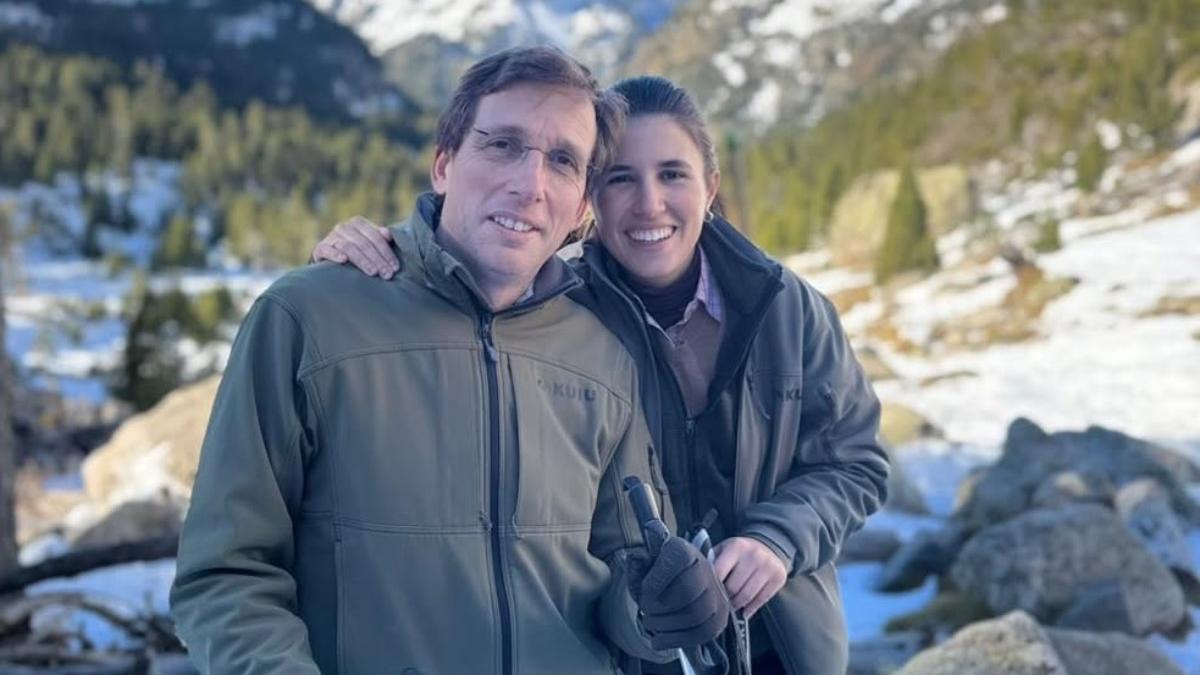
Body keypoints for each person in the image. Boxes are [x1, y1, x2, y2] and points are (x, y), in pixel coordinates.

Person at [170, 49, 732, 675]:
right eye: (503, 145)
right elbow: (227, 574)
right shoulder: (308, 319)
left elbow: (622, 585)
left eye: (563, 161)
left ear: (580, 210)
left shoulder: (603, 357)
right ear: (444, 164)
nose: (530, 184)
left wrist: (661, 610)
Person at [314, 74, 890, 675]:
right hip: (628, 650)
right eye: (620, 178)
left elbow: (855, 463)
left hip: (780, 644)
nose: (649, 203)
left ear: (710, 187)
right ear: (589, 199)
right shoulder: (554, 315)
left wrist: (780, 538)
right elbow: (457, 297)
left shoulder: (787, 309)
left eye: (673, 174)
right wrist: (376, 258)